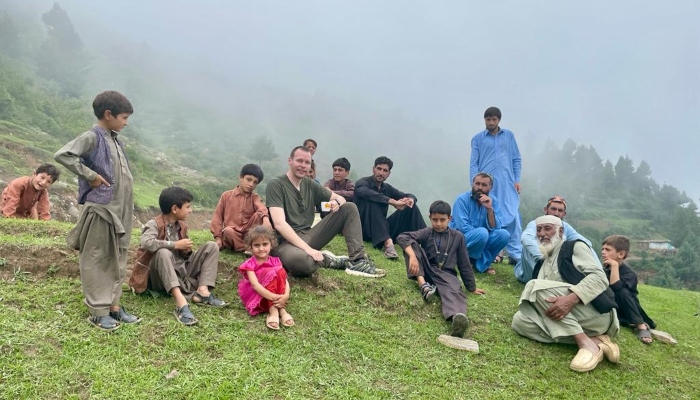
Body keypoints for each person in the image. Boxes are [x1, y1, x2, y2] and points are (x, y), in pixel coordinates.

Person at [55, 91, 140, 331]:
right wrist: (90, 176)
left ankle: (114, 306)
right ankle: (97, 310)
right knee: (96, 256)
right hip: (102, 209)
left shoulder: (114, 139)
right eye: (124, 117)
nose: (126, 122)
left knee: (120, 255)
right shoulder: (93, 136)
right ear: (108, 114)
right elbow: (64, 155)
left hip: (121, 210)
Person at [511, 215, 620, 372]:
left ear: (560, 231)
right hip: (571, 318)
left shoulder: (574, 247)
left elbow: (600, 278)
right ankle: (596, 340)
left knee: (534, 286)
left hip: (595, 312)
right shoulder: (542, 262)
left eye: (547, 228)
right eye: (539, 230)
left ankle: (586, 344)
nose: (542, 234)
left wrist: (572, 298)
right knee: (519, 321)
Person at [266, 146, 384, 278]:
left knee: (349, 208)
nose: (303, 166)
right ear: (290, 160)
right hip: (285, 243)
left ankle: (357, 260)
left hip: (309, 235)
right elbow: (279, 224)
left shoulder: (310, 184)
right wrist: (308, 250)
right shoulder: (276, 185)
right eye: (299, 161)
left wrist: (336, 202)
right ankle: (330, 260)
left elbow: (341, 198)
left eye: (307, 162)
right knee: (300, 263)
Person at [132, 186, 226, 326]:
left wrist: (185, 250)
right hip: (159, 277)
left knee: (211, 246)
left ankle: (203, 292)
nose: (191, 210)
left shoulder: (182, 225)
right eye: (188, 207)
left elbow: (184, 256)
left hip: (179, 270)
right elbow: (147, 243)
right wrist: (175, 245)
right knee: (163, 252)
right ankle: (181, 302)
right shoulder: (154, 224)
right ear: (175, 209)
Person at [397, 201, 486, 338]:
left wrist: (471, 287)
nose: (438, 224)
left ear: (450, 219)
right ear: (430, 218)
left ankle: (456, 319)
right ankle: (423, 285)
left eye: (442, 220)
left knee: (454, 291)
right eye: (435, 220)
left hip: (446, 274)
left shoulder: (458, 237)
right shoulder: (427, 232)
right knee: (412, 245)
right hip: (426, 270)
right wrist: (413, 256)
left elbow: (464, 263)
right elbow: (402, 237)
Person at [470, 106, 522, 265]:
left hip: (506, 183)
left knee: (512, 214)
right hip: (486, 184)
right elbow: (474, 163)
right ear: (484, 120)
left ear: (499, 120)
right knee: (489, 212)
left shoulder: (508, 136)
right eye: (488, 119)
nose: (491, 122)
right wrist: (475, 184)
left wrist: (517, 179)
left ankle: (515, 254)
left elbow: (516, 159)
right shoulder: (478, 138)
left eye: (494, 119)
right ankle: (495, 251)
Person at [354, 156, 426, 259]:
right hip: (364, 229)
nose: (381, 173)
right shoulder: (362, 183)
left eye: (385, 170)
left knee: (411, 207)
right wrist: (392, 202)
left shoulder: (387, 188)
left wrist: (410, 199)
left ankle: (428, 241)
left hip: (382, 230)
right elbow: (367, 193)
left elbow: (408, 194)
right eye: (379, 169)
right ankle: (388, 244)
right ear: (373, 169)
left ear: (389, 174)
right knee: (373, 201)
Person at [515, 196, 599, 283]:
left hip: (553, 267)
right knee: (531, 243)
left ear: (564, 214)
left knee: (586, 247)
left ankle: (597, 276)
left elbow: (586, 243)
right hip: (531, 270)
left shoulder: (564, 226)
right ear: (545, 210)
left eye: (560, 210)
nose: (556, 213)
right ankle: (543, 276)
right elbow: (526, 238)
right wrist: (543, 259)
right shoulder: (536, 223)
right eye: (553, 209)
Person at [449, 173, 509, 274]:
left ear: (490, 187)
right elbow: (463, 227)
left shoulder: (493, 201)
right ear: (473, 184)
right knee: (482, 233)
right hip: (461, 239)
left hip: (482, 238)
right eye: (477, 183)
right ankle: (467, 261)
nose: (479, 187)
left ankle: (480, 264)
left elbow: (496, 227)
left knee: (504, 235)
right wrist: (483, 234)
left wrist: (489, 209)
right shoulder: (462, 200)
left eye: (484, 185)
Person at [601, 235, 656, 344]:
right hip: (613, 307)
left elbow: (617, 287)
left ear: (621, 254)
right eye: (602, 249)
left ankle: (641, 326)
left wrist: (615, 266)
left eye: (607, 250)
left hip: (629, 307)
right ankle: (626, 322)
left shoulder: (630, 274)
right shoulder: (604, 270)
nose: (603, 252)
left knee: (623, 292)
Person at [238, 225, 294, 330]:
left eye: (265, 244)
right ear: (251, 247)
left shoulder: (276, 261)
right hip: (259, 296)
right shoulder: (250, 264)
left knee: (279, 271)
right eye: (256, 245)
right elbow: (255, 285)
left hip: (278, 297)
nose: (261, 248)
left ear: (271, 244)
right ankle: (273, 311)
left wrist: (285, 296)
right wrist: (274, 298)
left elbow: (284, 281)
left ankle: (282, 310)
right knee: (270, 271)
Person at [210, 164, 271, 253]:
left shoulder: (255, 198)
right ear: (241, 178)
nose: (251, 184)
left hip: (250, 235)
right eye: (249, 179)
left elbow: (261, 208)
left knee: (259, 214)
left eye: (255, 182)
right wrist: (218, 238)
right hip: (232, 233)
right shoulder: (226, 196)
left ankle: (249, 246)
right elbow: (217, 218)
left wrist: (265, 218)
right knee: (228, 231)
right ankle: (249, 249)